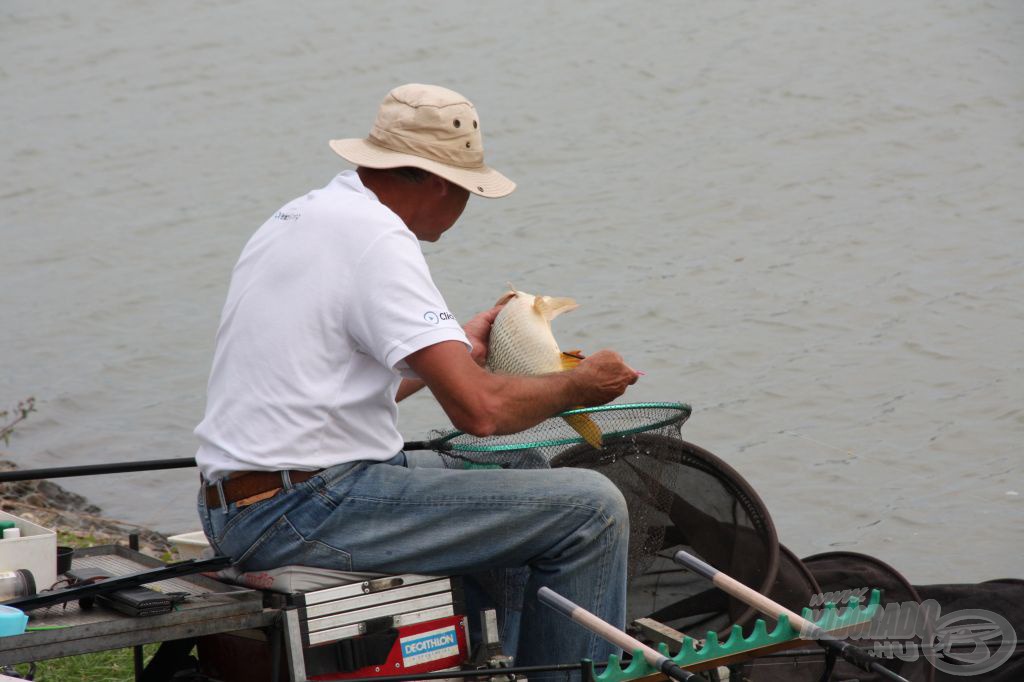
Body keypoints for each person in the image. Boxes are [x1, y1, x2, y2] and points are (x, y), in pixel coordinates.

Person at [194, 84, 639, 675]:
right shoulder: (379, 239)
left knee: (524, 475)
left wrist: (460, 353)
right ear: (437, 181)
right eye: (469, 192)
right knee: (592, 508)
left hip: (244, 500)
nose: (466, 206)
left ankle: (501, 662)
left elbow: (342, 387)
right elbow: (480, 415)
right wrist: (580, 386)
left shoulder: (302, 215)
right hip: (301, 510)